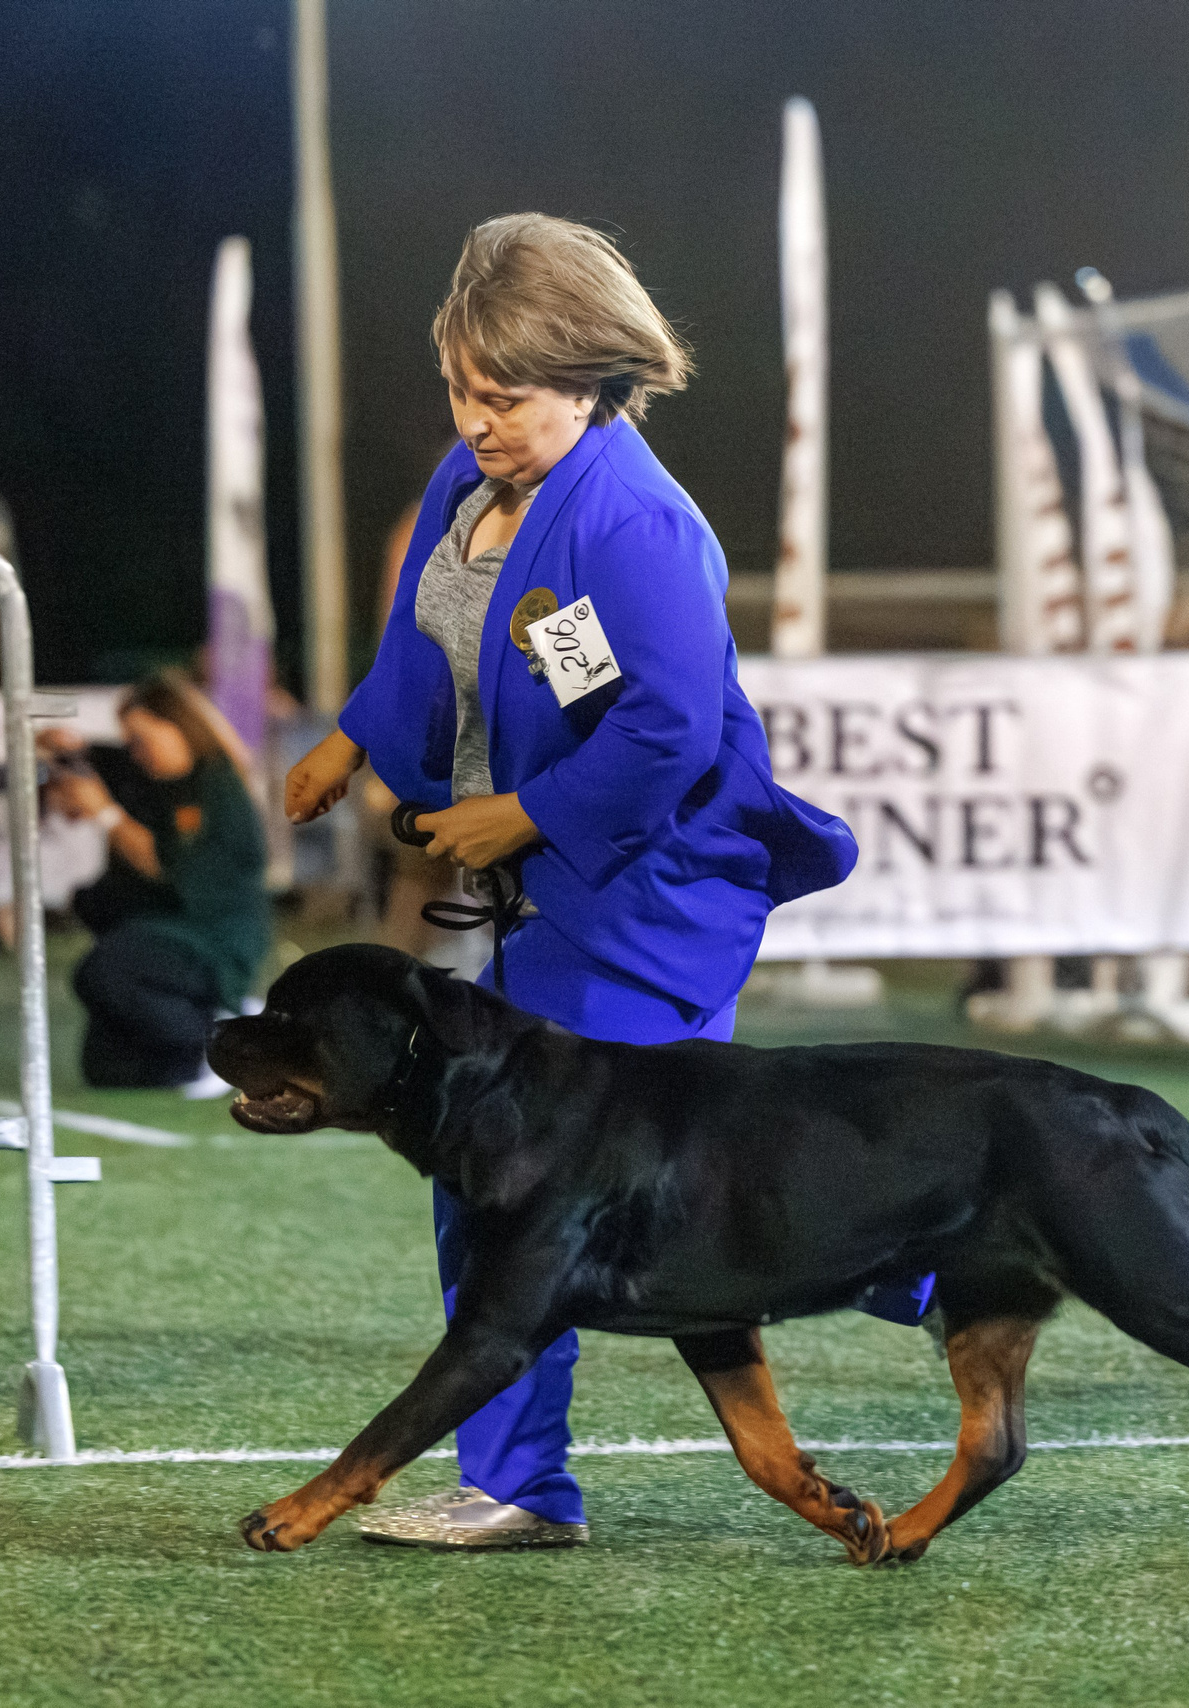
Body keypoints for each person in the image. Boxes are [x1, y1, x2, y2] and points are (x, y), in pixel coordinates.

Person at [283, 212, 900, 1550]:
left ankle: (928, 1247)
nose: (474, 420)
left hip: (647, 893)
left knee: (566, 1186)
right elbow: (425, 646)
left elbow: (668, 728)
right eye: (460, 390)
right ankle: (521, 1481)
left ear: (592, 378)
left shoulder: (637, 526)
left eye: (503, 399)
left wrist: (522, 813)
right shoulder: (472, 484)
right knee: (522, 1179)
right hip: (550, 889)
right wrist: (350, 739)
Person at [43, 670, 267, 1092]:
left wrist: (105, 814)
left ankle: (230, 1037)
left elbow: (166, 865)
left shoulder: (214, 785)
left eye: (142, 740)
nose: (136, 752)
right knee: (109, 1070)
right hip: (168, 933)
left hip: (213, 938)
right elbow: (98, 757)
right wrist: (66, 749)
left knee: (103, 970)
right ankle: (197, 1053)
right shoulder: (155, 779)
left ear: (177, 726)